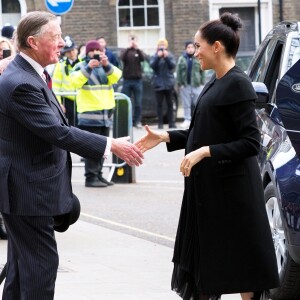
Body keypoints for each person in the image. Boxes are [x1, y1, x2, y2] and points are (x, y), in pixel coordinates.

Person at [135, 12, 279, 300]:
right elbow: (202, 131)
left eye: (198, 46)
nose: (195, 52)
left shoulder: (238, 83)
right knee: (207, 269)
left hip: (233, 196)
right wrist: (165, 136)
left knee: (241, 269)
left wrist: (205, 151)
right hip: (209, 193)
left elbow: (250, 143)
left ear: (217, 47)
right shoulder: (215, 82)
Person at [0, 11, 143, 300]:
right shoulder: (21, 83)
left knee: (20, 267)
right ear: (33, 41)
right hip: (27, 192)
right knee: (40, 266)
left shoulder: (28, 74)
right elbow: (58, 133)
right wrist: (110, 145)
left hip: (27, 188)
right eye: (55, 37)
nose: (62, 43)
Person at [70, 39, 122, 187]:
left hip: (105, 115)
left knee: (103, 149)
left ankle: (99, 175)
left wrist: (107, 65)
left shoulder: (106, 67)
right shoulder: (80, 65)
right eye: (92, 51)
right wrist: (88, 68)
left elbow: (117, 76)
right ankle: (91, 177)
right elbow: (74, 82)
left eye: (98, 51)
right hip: (90, 115)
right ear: (87, 53)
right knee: (92, 149)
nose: (96, 54)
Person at [52, 35, 81, 126]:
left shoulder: (83, 63)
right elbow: (56, 86)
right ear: (65, 53)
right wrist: (59, 103)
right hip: (67, 101)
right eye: (68, 51)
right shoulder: (60, 65)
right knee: (71, 126)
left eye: (73, 50)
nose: (72, 53)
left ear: (76, 49)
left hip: (82, 100)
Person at [176, 41, 205, 129]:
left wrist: (202, 83)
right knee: (186, 104)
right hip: (185, 85)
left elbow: (202, 71)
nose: (190, 49)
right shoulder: (182, 59)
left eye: (192, 47)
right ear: (185, 49)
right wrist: (180, 83)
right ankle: (187, 119)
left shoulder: (198, 57)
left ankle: (198, 120)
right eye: (188, 47)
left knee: (198, 103)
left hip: (196, 84)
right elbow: (178, 72)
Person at [150, 38, 176, 129]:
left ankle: (171, 123)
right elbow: (152, 66)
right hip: (158, 84)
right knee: (159, 105)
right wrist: (158, 57)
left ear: (166, 46)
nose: (162, 47)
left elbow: (172, 66)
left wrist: (166, 57)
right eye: (160, 45)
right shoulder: (154, 56)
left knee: (170, 104)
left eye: (163, 45)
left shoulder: (170, 55)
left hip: (168, 83)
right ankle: (160, 124)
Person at [120, 35, 146, 129]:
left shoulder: (138, 52)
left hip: (137, 80)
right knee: (126, 101)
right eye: (131, 40)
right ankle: (127, 121)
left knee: (138, 102)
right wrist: (128, 48)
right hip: (127, 80)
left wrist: (137, 48)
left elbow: (144, 58)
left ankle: (137, 121)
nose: (132, 42)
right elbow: (122, 58)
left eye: (134, 40)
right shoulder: (125, 51)